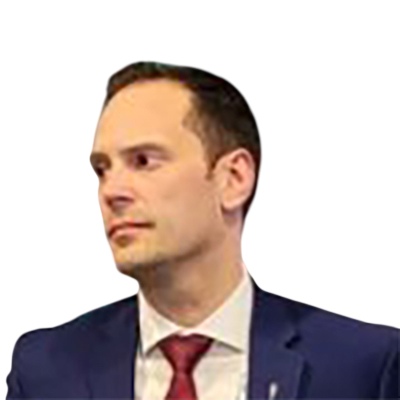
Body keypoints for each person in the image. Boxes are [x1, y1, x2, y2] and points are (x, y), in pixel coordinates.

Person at [6, 61, 399, 399]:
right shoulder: (47, 368)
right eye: (102, 169)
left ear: (233, 179)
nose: (111, 191)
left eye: (143, 161)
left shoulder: (361, 367)